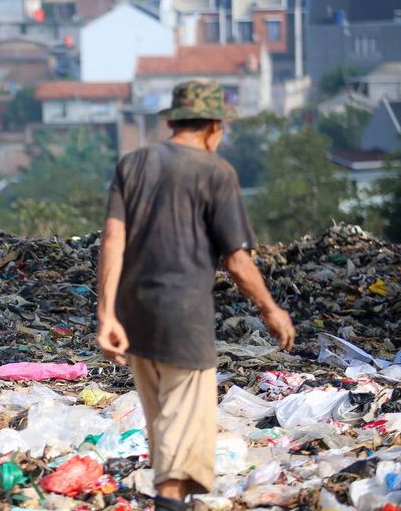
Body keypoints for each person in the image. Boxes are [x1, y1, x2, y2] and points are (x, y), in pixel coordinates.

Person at [95, 79, 295, 511]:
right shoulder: (215, 172)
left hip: (135, 317)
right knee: (179, 449)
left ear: (173, 121)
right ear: (213, 127)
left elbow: (112, 238)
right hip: (183, 319)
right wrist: (271, 310)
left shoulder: (133, 164)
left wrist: (107, 315)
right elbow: (237, 262)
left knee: (166, 430)